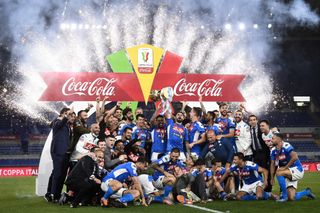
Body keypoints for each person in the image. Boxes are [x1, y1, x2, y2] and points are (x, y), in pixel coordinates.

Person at [270, 133, 316, 202]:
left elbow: (295, 157)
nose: (271, 140)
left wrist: (285, 168)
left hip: (297, 169)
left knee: (279, 172)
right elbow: (272, 164)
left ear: (279, 139)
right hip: (287, 173)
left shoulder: (286, 145)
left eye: (273, 138)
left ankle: (284, 197)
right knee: (291, 198)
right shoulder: (273, 150)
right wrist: (272, 178)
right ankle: (307, 192)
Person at [46, 107, 75, 202]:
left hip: (66, 153)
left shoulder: (67, 125)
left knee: (62, 175)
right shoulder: (57, 121)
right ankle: (52, 195)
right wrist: (66, 116)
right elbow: (59, 123)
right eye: (68, 114)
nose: (70, 116)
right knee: (57, 173)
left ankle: (56, 194)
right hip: (58, 151)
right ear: (62, 114)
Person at [248, 115, 271, 192]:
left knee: (266, 170)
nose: (252, 121)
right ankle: (260, 188)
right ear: (249, 122)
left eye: (254, 119)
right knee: (257, 171)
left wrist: (276, 129)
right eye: (251, 120)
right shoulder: (248, 129)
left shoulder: (261, 128)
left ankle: (268, 190)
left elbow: (270, 130)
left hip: (264, 152)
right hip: (255, 153)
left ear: (257, 121)